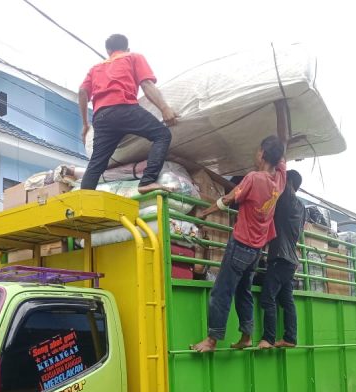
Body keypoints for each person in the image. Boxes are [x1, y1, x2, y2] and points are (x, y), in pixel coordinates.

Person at [191, 105, 288, 353]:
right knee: (243, 291)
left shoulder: (253, 178)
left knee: (222, 291)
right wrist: (280, 111)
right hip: (257, 250)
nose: (256, 154)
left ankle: (211, 340)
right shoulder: (280, 180)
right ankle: (246, 335)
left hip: (241, 244)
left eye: (258, 151)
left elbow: (230, 198)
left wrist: (206, 211)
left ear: (263, 154)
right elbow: (283, 146)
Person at [79, 34, 179, 193]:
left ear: (108, 51)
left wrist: (85, 124)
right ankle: (147, 182)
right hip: (124, 108)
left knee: (97, 163)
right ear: (127, 48)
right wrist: (165, 109)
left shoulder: (95, 68)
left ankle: (83, 199)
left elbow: (82, 92)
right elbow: (146, 84)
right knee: (162, 135)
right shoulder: (133, 57)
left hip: (101, 117)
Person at [259, 169, 305, 349]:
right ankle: (290, 338)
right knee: (286, 300)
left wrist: (279, 156)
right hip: (291, 261)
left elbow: (283, 183)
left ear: (290, 183)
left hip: (280, 257)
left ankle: (268, 339)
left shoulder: (289, 201)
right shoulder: (301, 208)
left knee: (267, 298)